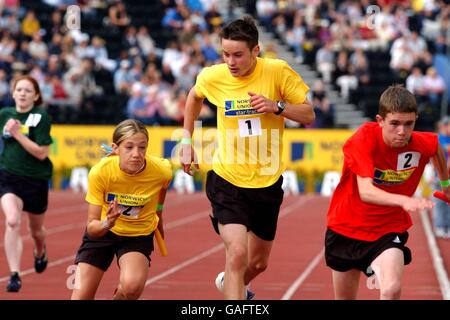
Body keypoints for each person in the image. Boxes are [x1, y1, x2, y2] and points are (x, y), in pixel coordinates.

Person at [180, 16, 314, 300]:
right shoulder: (212, 76)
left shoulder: (277, 72)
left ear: (256, 51)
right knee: (237, 254)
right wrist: (186, 140)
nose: (231, 61)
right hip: (227, 179)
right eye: (225, 54)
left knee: (258, 263)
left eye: (238, 55)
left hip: (266, 182)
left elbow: (308, 114)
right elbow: (194, 97)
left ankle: (230, 281)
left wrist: (276, 107)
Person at [325, 85, 450, 300]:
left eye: (408, 124)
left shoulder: (422, 142)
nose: (402, 131)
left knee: (391, 289)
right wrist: (403, 200)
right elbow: (366, 192)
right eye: (394, 124)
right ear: (380, 120)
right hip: (346, 227)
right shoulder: (362, 140)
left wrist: (446, 185)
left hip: (387, 229)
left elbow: (436, 148)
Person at [71, 119, 172, 300]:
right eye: (129, 147)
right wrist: (107, 223)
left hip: (137, 235)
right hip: (102, 234)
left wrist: (159, 214)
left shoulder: (161, 170)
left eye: (142, 147)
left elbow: (163, 186)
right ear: (115, 148)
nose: (136, 154)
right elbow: (92, 227)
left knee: (132, 289)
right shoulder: (100, 172)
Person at [0, 75, 53, 292]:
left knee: (36, 230)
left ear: (36, 95)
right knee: (12, 221)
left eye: (27, 90)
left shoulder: (41, 116)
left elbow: (42, 153)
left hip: (35, 180)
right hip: (8, 176)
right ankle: (14, 274)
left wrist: (17, 134)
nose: (22, 93)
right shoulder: (4, 114)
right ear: (13, 93)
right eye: (19, 89)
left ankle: (40, 251)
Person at [431, 116, 450, 238]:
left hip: (448, 174)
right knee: (439, 202)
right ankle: (439, 226)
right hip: (439, 174)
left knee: (448, 202)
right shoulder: (437, 139)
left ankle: (447, 226)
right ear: (443, 126)